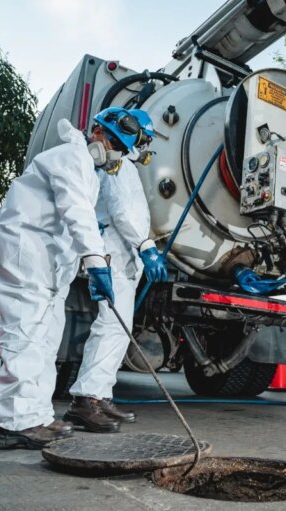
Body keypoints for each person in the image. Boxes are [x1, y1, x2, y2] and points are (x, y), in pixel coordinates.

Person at [0, 107, 145, 449]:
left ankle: (36, 415)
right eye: (114, 143)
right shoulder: (71, 157)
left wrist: (89, 263)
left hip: (45, 265)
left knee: (45, 338)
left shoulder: (85, 168)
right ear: (97, 133)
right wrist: (96, 261)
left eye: (121, 149)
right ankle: (14, 422)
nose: (115, 154)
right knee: (27, 335)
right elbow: (77, 211)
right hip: (25, 257)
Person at [64, 109, 168, 433]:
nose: (144, 144)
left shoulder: (124, 164)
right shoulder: (117, 164)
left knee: (117, 331)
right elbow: (124, 211)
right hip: (116, 253)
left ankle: (99, 396)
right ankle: (87, 400)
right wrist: (146, 246)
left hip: (123, 257)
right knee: (110, 327)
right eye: (144, 138)